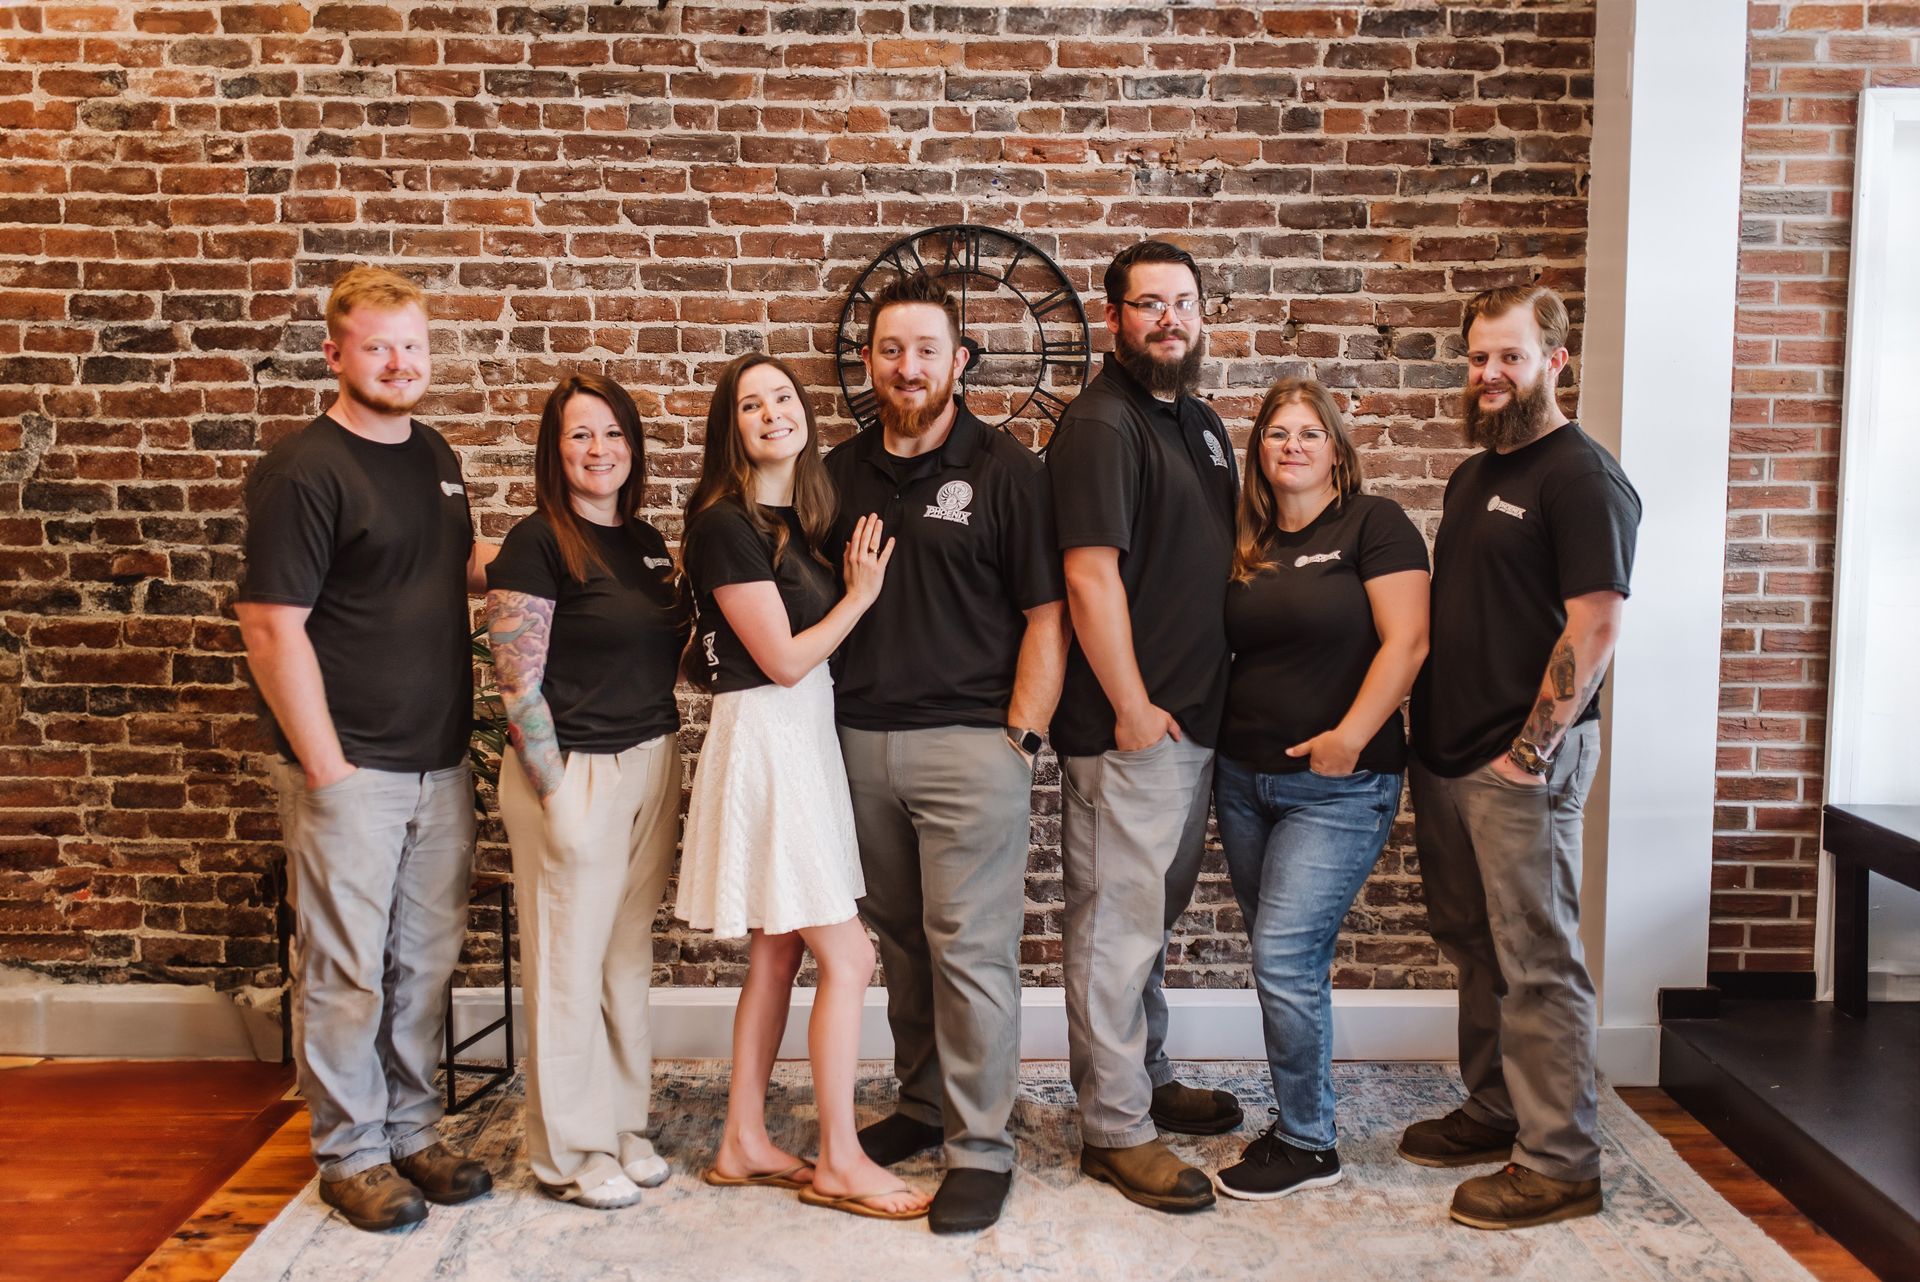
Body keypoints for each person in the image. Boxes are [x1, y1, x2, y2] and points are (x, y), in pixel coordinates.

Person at [236, 266, 496, 1232]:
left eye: (413, 346)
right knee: (345, 968)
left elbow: (455, 574)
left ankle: (411, 1129)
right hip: (347, 766)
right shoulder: (305, 468)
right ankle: (350, 1151)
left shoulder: (437, 454)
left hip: (440, 762)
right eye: (379, 345)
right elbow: (270, 623)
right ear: (334, 353)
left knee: (422, 964)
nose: (399, 362)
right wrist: (326, 767)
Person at [823, 271, 1069, 1233]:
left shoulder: (1008, 470)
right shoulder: (838, 472)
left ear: (960, 361)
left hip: (972, 744)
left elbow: (1046, 617)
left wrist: (1020, 738)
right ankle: (922, 1106)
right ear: (872, 361)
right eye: (891, 349)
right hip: (857, 745)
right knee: (903, 947)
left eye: (927, 348)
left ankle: (980, 1147)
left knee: (972, 954)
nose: (908, 365)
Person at [1402, 284, 1641, 1230]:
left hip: (1519, 763)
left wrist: (1528, 756)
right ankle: (1497, 1107)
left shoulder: (1581, 477)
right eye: (1477, 359)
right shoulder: (1474, 475)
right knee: (1472, 948)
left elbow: (1598, 623)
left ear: (1555, 361)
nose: (1489, 374)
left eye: (1509, 357)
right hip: (1450, 756)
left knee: (1538, 961)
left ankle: (1560, 1161)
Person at [672, 352, 931, 1221]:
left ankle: (743, 1141)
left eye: (783, 397)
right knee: (851, 956)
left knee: (779, 951)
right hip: (770, 738)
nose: (773, 412)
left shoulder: (794, 519)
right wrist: (858, 597)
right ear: (731, 428)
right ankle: (841, 1158)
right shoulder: (724, 523)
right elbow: (782, 660)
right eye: (751, 404)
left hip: (803, 736)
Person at [1045, 240, 1243, 1213]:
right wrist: (1129, 702)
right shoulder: (1100, 424)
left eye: (1182, 302)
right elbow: (1089, 573)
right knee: (1113, 932)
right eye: (1148, 304)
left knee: (1148, 926)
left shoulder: (1199, 425)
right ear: (1113, 316)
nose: (1168, 318)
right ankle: (1116, 1127)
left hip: (1193, 722)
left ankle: (1149, 1074)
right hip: (1129, 725)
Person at [1210, 378, 1429, 1201]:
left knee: (1281, 956)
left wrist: (1349, 739)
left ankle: (1309, 1142)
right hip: (1244, 781)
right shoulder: (1249, 540)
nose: (1292, 445)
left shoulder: (1375, 524)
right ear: (1258, 452)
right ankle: (1302, 1115)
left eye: (1309, 433)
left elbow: (1407, 642)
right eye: (1276, 433)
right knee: (1290, 963)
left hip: (1339, 788)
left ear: (1337, 447)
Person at [485, 373, 690, 1210]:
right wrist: (555, 792)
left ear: (632, 446)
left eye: (611, 433)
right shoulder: (537, 541)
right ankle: (569, 1152)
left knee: (622, 960)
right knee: (567, 965)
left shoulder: (644, 541)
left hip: (652, 759)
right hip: (572, 769)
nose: (598, 449)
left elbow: (661, 652)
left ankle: (622, 1125)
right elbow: (514, 684)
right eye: (579, 435)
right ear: (554, 448)